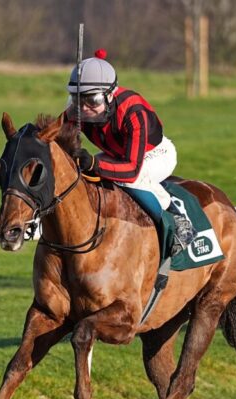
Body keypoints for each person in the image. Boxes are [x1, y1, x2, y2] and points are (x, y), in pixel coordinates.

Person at [65, 48, 195, 254]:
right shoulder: (78, 111)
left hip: (155, 155)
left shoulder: (133, 111)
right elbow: (53, 134)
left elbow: (131, 169)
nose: (85, 107)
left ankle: (178, 218)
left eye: (94, 100)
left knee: (126, 178)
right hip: (117, 155)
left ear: (110, 95)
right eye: (78, 99)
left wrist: (94, 164)